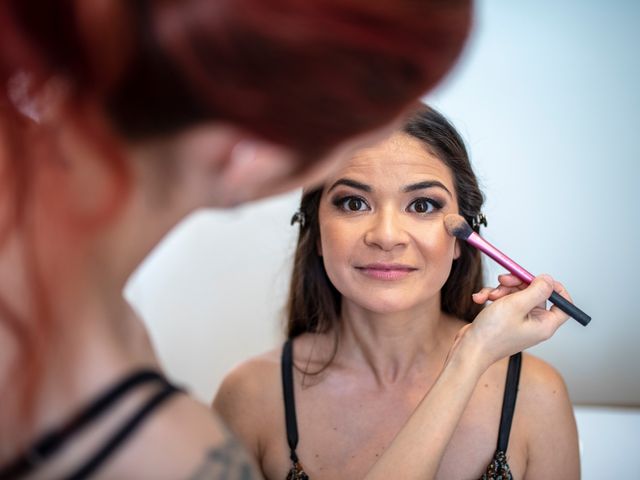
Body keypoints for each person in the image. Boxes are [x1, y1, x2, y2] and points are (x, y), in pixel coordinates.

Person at [214, 105, 580, 479]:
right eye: (354, 203)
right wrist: (469, 359)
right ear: (317, 232)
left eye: (422, 205)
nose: (386, 236)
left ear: (461, 239)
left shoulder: (536, 396)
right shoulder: (250, 397)